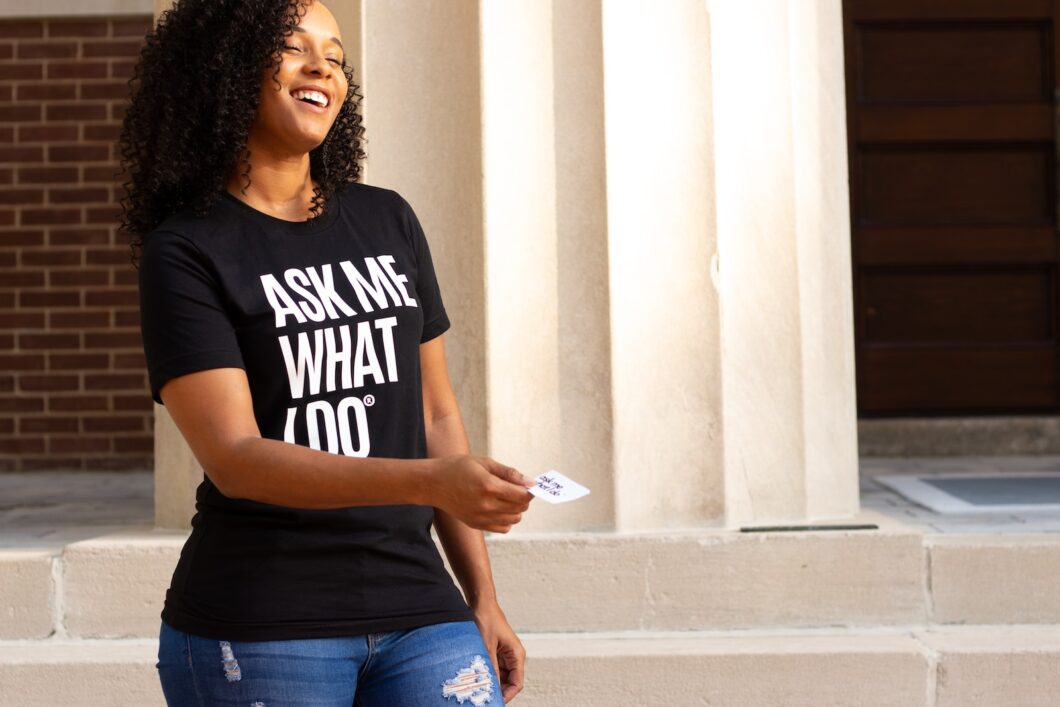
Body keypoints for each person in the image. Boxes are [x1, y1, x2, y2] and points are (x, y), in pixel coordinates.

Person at [121, 0, 534, 704]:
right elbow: (236, 458)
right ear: (226, 67)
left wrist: (483, 595)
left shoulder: (387, 218)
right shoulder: (187, 250)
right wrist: (432, 480)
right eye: (293, 46)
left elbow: (437, 415)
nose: (322, 68)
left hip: (420, 610)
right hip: (263, 621)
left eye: (336, 56)